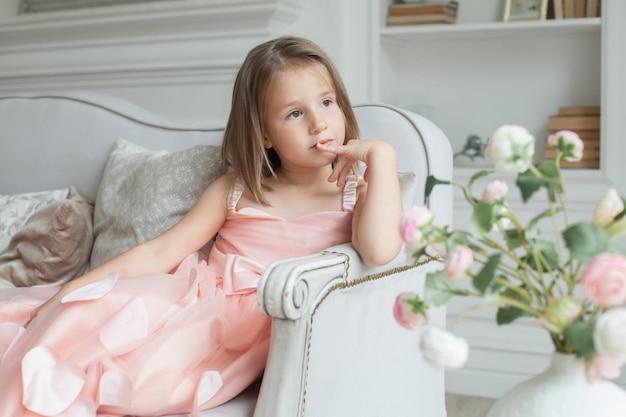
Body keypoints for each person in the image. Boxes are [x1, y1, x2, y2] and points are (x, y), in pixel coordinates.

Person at [0, 36, 402, 416]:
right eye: (295, 113)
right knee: (73, 316)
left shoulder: (356, 191)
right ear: (264, 134)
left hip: (242, 330)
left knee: (128, 377)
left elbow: (379, 251)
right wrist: (71, 289)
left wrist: (382, 156)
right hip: (188, 299)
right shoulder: (237, 189)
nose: (319, 124)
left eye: (327, 102)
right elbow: (161, 252)